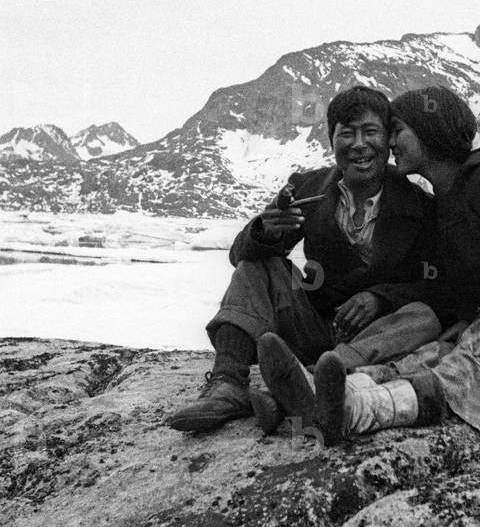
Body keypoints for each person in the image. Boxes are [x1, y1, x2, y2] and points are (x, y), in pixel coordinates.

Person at [263, 84, 480, 445]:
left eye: (398, 131)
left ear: (429, 131)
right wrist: (461, 321)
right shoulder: (443, 201)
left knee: (467, 374)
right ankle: (313, 398)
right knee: (424, 359)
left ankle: (353, 411)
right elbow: (456, 284)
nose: (390, 144)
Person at [168, 85, 442, 434]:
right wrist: (265, 232)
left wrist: (380, 298)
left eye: (370, 131)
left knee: (424, 317)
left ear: (388, 140)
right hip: (314, 327)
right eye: (346, 133)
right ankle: (228, 384)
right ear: (332, 141)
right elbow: (240, 256)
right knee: (258, 266)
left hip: (377, 339)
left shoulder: (420, 204)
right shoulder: (307, 187)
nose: (358, 144)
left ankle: (303, 387)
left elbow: (437, 283)